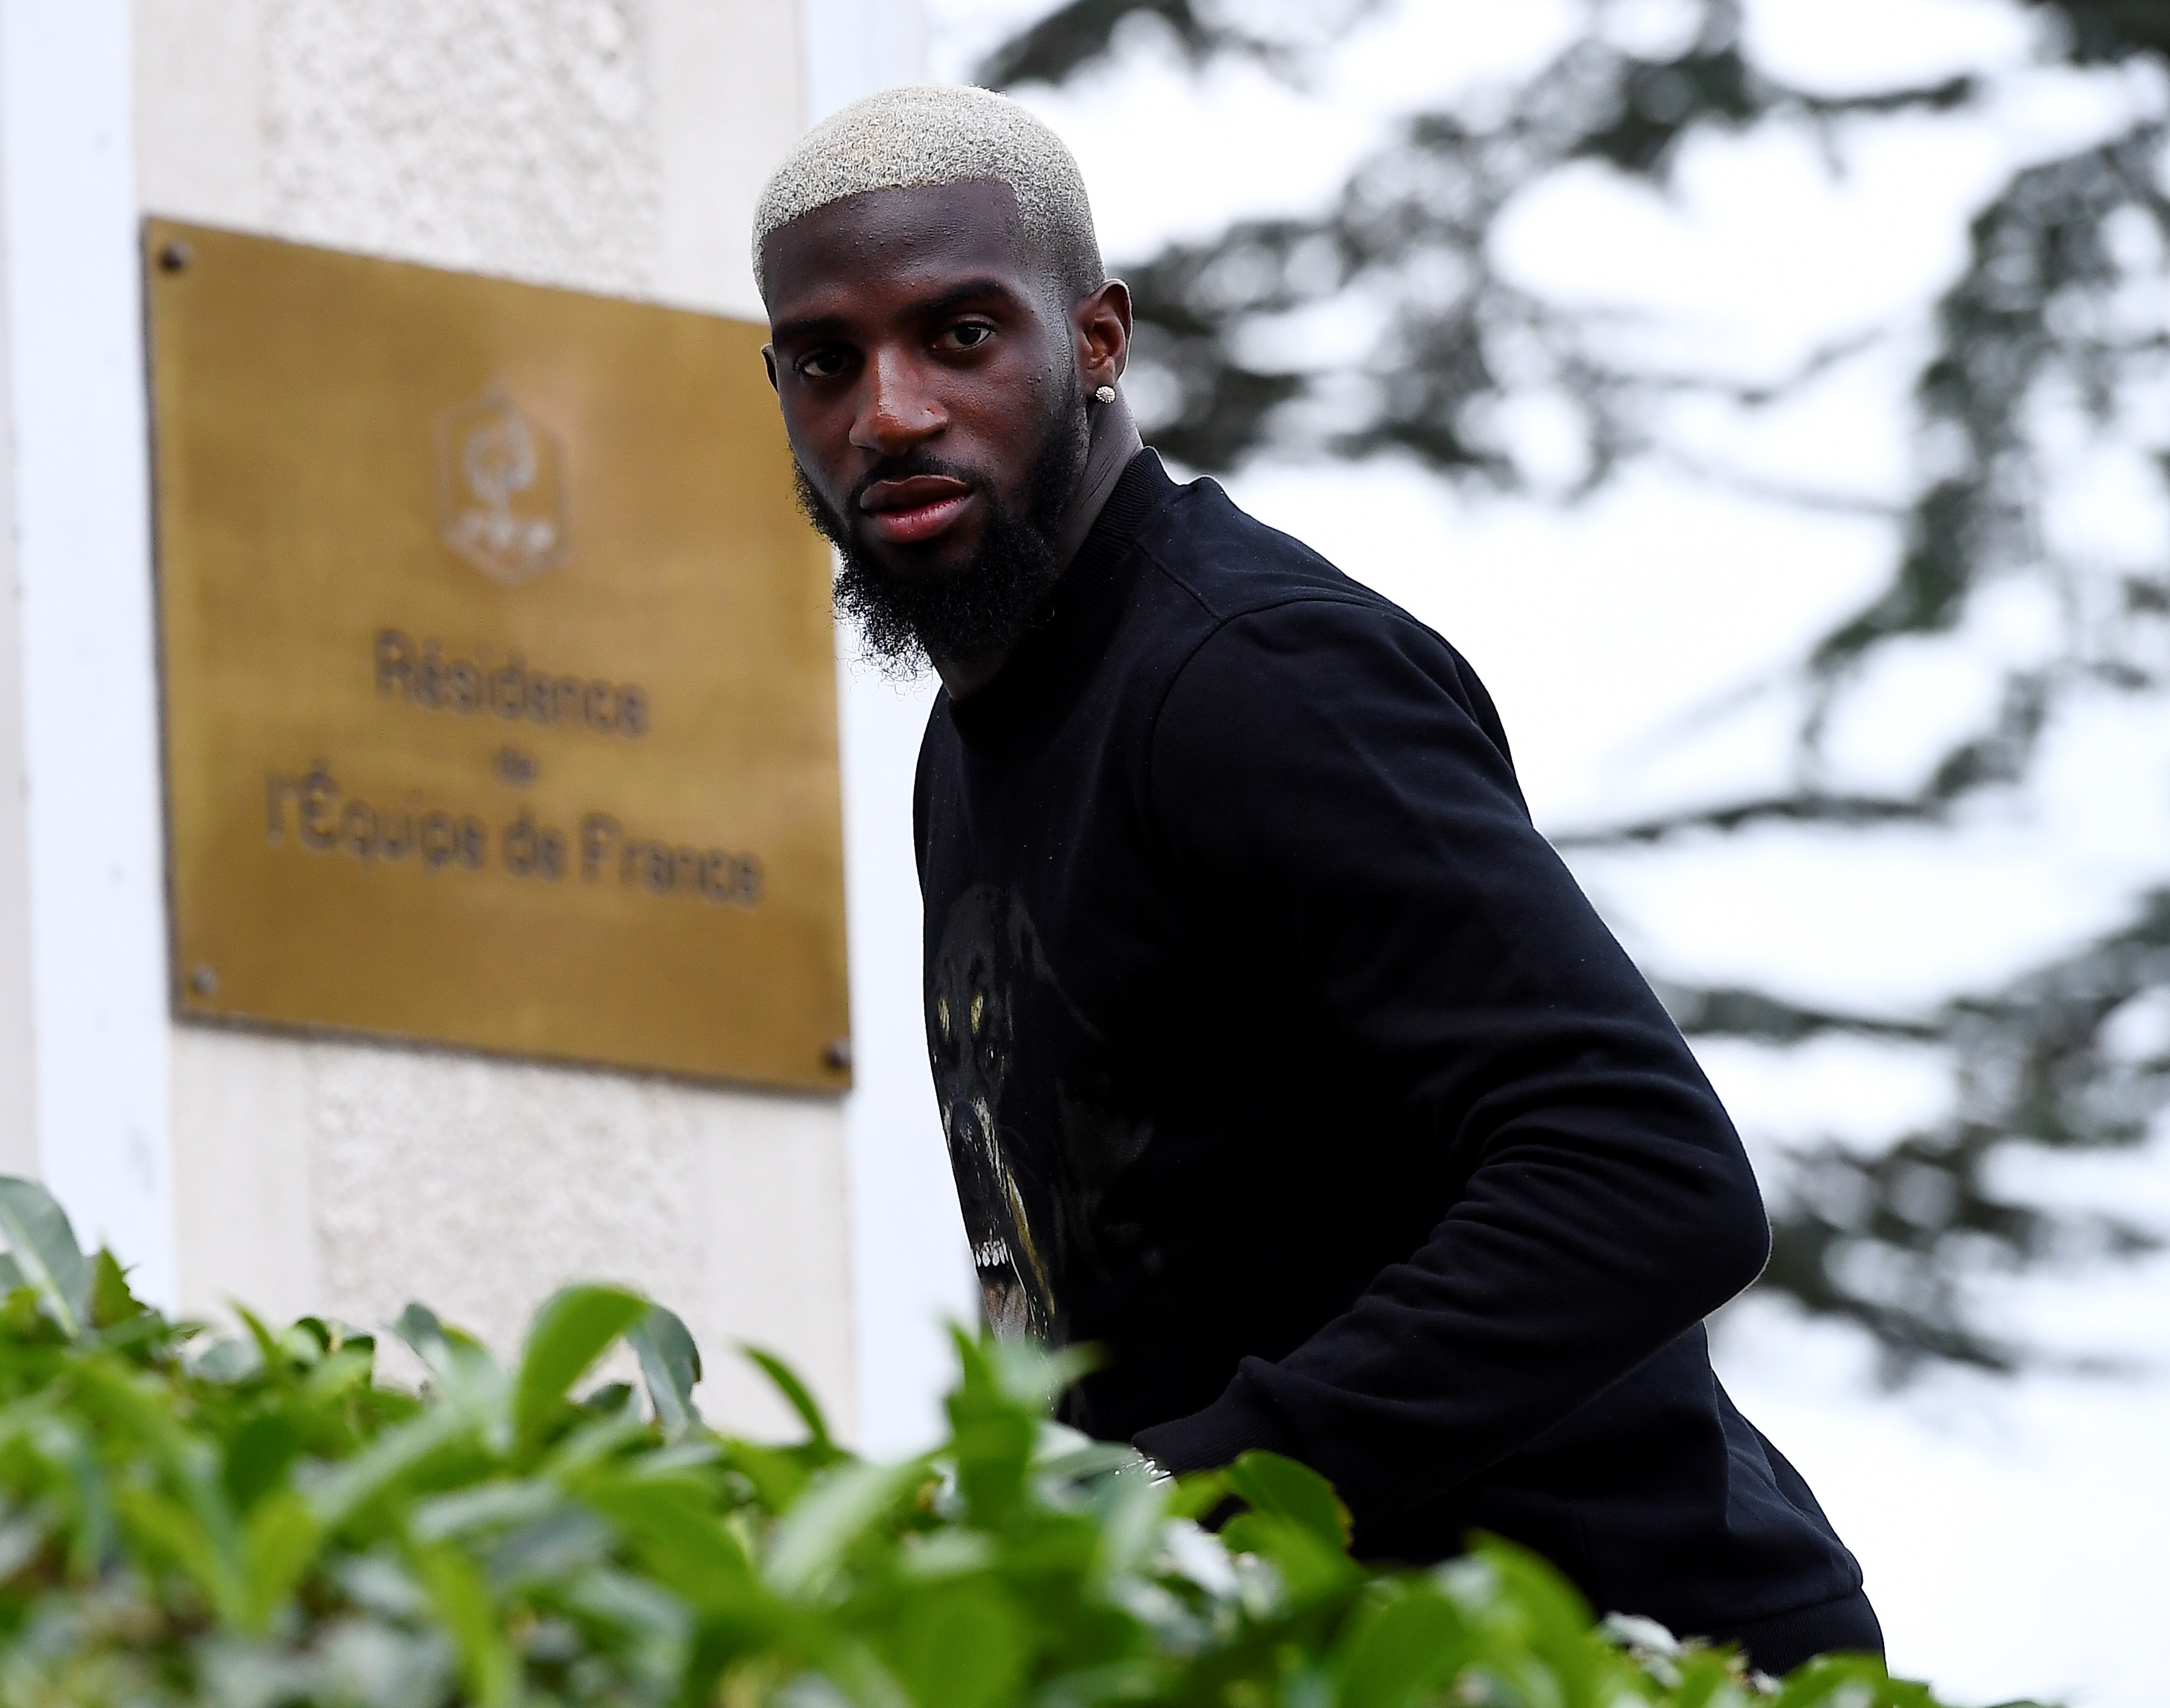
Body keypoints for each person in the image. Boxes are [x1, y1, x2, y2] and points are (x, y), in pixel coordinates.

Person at [752, 84, 1881, 1672]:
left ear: (1094, 341)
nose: (888, 411)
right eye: (826, 359)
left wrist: (1186, 1487)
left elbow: (1649, 1178)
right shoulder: (974, 746)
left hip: (1640, 1653)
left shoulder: (1255, 675)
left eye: (957, 335)